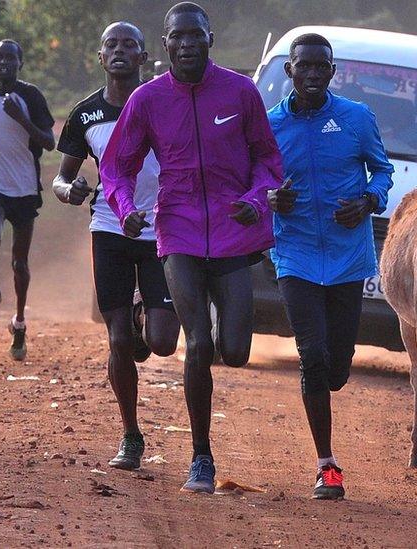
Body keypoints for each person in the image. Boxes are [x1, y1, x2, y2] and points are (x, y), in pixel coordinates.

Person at [100, 2, 283, 493]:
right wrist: (124, 209)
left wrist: (253, 199)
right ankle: (202, 457)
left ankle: (219, 328)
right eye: (176, 37)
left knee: (236, 351)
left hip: (232, 233)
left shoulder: (240, 92)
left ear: (209, 40)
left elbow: (268, 159)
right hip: (177, 230)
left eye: (194, 35)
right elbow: (116, 166)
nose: (186, 44)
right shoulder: (148, 98)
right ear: (164, 45)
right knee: (197, 343)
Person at [266, 33, 394, 499]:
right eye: (305, 67)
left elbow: (382, 171)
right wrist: (269, 198)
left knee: (336, 367)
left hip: (346, 258)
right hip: (294, 253)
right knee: (312, 356)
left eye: (323, 67)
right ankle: (327, 466)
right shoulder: (269, 125)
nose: (314, 74)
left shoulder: (356, 118)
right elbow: (251, 181)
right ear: (290, 71)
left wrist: (367, 202)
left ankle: (335, 369)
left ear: (333, 72)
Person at [53, 21, 181, 470]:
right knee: (118, 339)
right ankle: (131, 435)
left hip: (163, 230)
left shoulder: (166, 103)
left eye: (131, 44)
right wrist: (68, 190)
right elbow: (61, 176)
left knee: (163, 343)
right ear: (101, 58)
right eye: (112, 44)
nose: (120, 50)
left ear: (145, 58)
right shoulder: (85, 114)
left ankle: (144, 310)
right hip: (109, 228)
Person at [0, 39, 55, 361]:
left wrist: (21, 118)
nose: (3, 63)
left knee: (19, 263)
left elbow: (48, 142)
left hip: (24, 190)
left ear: (20, 64)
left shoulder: (31, 97)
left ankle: (19, 324)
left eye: (9, 59)